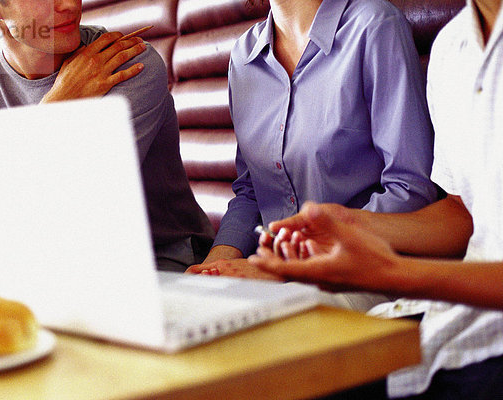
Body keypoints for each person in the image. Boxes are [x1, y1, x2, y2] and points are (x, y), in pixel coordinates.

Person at [250, 0, 503, 397]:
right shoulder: (452, 48)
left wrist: (388, 271)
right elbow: (463, 211)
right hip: (454, 323)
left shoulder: (374, 24)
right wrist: (349, 226)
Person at [186, 0, 438, 307]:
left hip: (367, 273)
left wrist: (282, 266)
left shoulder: (373, 25)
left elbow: (410, 188)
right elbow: (252, 191)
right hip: (273, 274)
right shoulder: (244, 55)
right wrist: (215, 265)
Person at [0, 0, 215, 272]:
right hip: (50, 261)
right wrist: (58, 103)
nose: (70, 5)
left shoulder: (129, 63)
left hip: (160, 256)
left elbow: (79, 204)